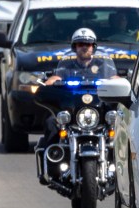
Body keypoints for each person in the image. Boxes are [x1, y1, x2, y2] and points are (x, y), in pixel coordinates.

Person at [37, 28, 118, 160]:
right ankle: (53, 156)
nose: (84, 47)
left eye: (88, 44)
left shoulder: (104, 65)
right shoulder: (66, 66)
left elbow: (114, 77)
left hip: (97, 108)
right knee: (52, 122)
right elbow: (56, 78)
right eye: (80, 44)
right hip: (73, 110)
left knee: (119, 121)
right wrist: (49, 83)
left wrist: (122, 82)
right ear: (75, 47)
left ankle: (119, 158)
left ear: (93, 47)